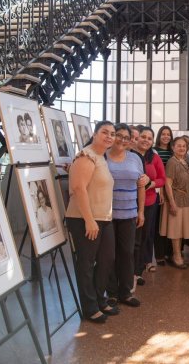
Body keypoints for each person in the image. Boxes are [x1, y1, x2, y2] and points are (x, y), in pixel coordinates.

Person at [65, 120, 117, 323]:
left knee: (106, 260)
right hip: (84, 219)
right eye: (105, 132)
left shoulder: (101, 157)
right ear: (95, 134)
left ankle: (99, 298)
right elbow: (79, 189)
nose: (109, 136)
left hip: (104, 218)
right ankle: (89, 307)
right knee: (86, 263)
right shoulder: (86, 156)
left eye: (112, 133)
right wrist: (89, 220)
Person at [105, 123, 146, 308]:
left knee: (127, 254)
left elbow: (141, 185)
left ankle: (126, 292)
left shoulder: (135, 158)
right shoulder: (102, 157)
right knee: (110, 255)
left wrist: (141, 211)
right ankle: (112, 293)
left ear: (130, 140)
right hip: (107, 215)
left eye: (125, 137)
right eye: (118, 135)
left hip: (130, 214)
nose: (122, 140)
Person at [135, 126, 166, 283]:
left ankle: (143, 264)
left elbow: (163, 178)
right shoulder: (129, 155)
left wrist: (151, 183)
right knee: (134, 237)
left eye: (149, 138)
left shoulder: (154, 157)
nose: (146, 140)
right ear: (137, 138)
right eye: (143, 137)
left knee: (146, 234)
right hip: (130, 201)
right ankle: (133, 267)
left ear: (152, 141)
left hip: (149, 201)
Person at [162, 136, 189, 268]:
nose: (182, 148)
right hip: (175, 199)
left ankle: (177, 254)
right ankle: (176, 256)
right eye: (179, 146)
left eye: (184, 146)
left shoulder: (186, 161)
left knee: (181, 230)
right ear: (173, 147)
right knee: (175, 230)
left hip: (186, 200)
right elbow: (167, 184)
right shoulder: (172, 162)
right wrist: (172, 203)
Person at [153, 125, 174, 264]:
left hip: (172, 191)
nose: (166, 136)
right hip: (160, 190)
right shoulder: (154, 151)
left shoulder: (173, 151)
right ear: (159, 136)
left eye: (168, 134)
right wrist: (160, 190)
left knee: (170, 222)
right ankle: (159, 255)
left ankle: (169, 253)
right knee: (159, 223)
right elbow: (157, 173)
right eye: (163, 134)